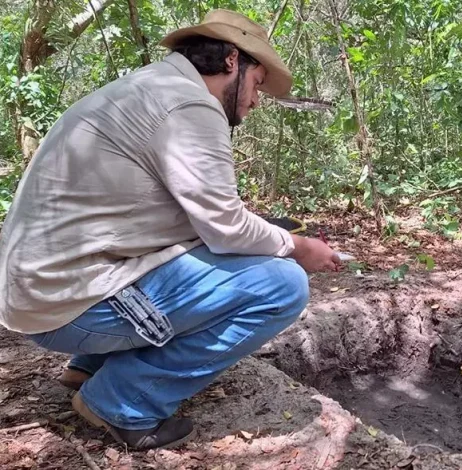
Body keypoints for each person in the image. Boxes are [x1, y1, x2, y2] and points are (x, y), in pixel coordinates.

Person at [0, 10, 339, 450]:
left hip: (43, 291)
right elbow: (225, 228)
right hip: (67, 304)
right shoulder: (190, 104)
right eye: (257, 84)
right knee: (282, 285)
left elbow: (185, 217)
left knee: (246, 254)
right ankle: (122, 403)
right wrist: (297, 247)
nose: (256, 100)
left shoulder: (147, 87)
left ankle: (89, 366)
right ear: (232, 61)